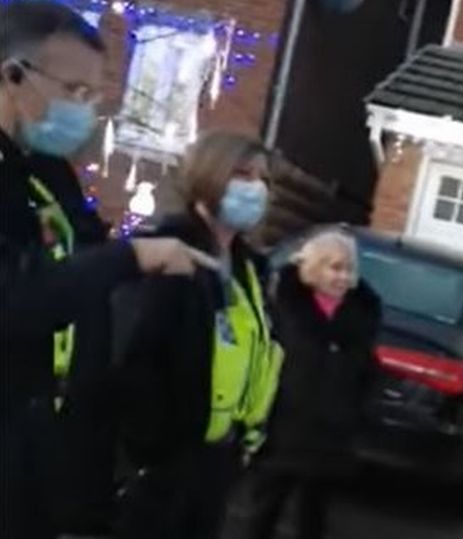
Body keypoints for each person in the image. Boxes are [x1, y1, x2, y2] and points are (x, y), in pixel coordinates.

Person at [0, 3, 215, 537]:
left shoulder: (47, 173)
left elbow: (90, 263)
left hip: (44, 450)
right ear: (12, 75)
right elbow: (15, 299)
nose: (88, 109)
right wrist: (131, 258)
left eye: (94, 94)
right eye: (75, 91)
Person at [113, 131, 284, 539]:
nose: (256, 188)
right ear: (210, 177)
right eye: (243, 174)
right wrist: (152, 450)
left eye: (264, 179)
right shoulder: (166, 251)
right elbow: (134, 355)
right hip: (162, 466)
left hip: (216, 461)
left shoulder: (250, 269)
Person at [247, 230, 381, 539]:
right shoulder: (285, 306)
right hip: (283, 428)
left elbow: (367, 372)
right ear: (314, 267)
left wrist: (358, 415)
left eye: (349, 269)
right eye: (335, 267)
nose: (343, 276)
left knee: (314, 517)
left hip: (331, 435)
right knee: (264, 510)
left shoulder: (360, 315)